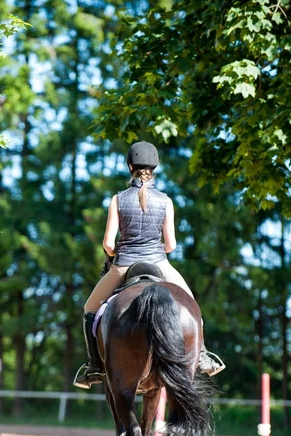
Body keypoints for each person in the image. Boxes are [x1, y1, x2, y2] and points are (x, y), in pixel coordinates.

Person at [74, 140, 225, 389]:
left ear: (129, 166)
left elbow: (109, 244)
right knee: (193, 307)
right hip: (158, 262)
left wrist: (118, 254)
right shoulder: (166, 201)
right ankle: (201, 356)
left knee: (90, 309)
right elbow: (171, 245)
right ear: (155, 168)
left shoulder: (117, 199)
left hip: (123, 264)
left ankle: (93, 366)